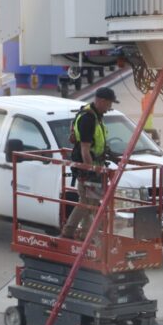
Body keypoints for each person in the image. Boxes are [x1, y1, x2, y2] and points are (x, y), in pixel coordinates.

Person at [61, 86, 118, 239]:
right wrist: (92, 170)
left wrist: (111, 156)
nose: (110, 108)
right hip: (87, 168)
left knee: (90, 203)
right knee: (86, 202)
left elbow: (97, 143)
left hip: (93, 166)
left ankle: (84, 235)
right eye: (109, 104)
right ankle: (69, 231)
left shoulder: (96, 115)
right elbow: (85, 150)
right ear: (101, 101)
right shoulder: (88, 119)